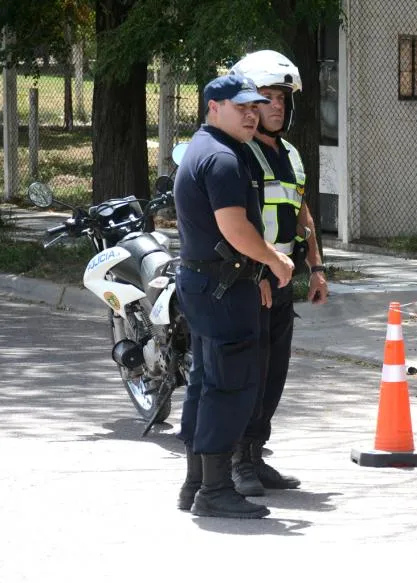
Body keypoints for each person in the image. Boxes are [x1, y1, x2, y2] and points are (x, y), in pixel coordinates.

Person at [173, 73, 296, 519]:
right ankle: (215, 491)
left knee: (206, 383)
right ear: (213, 108)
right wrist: (275, 261)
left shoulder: (206, 149)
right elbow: (236, 229)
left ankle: (195, 483)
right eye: (240, 107)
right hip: (224, 287)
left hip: (207, 283)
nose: (250, 114)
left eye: (253, 107)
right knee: (229, 386)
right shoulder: (223, 159)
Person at [227, 50, 329, 497]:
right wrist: (260, 271)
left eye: (282, 99)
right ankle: (237, 462)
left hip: (283, 277)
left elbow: (301, 211)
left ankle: (257, 454)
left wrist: (318, 267)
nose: (276, 106)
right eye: (266, 98)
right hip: (252, 278)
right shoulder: (238, 153)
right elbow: (237, 223)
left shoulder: (288, 152)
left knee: (274, 375)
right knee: (250, 372)